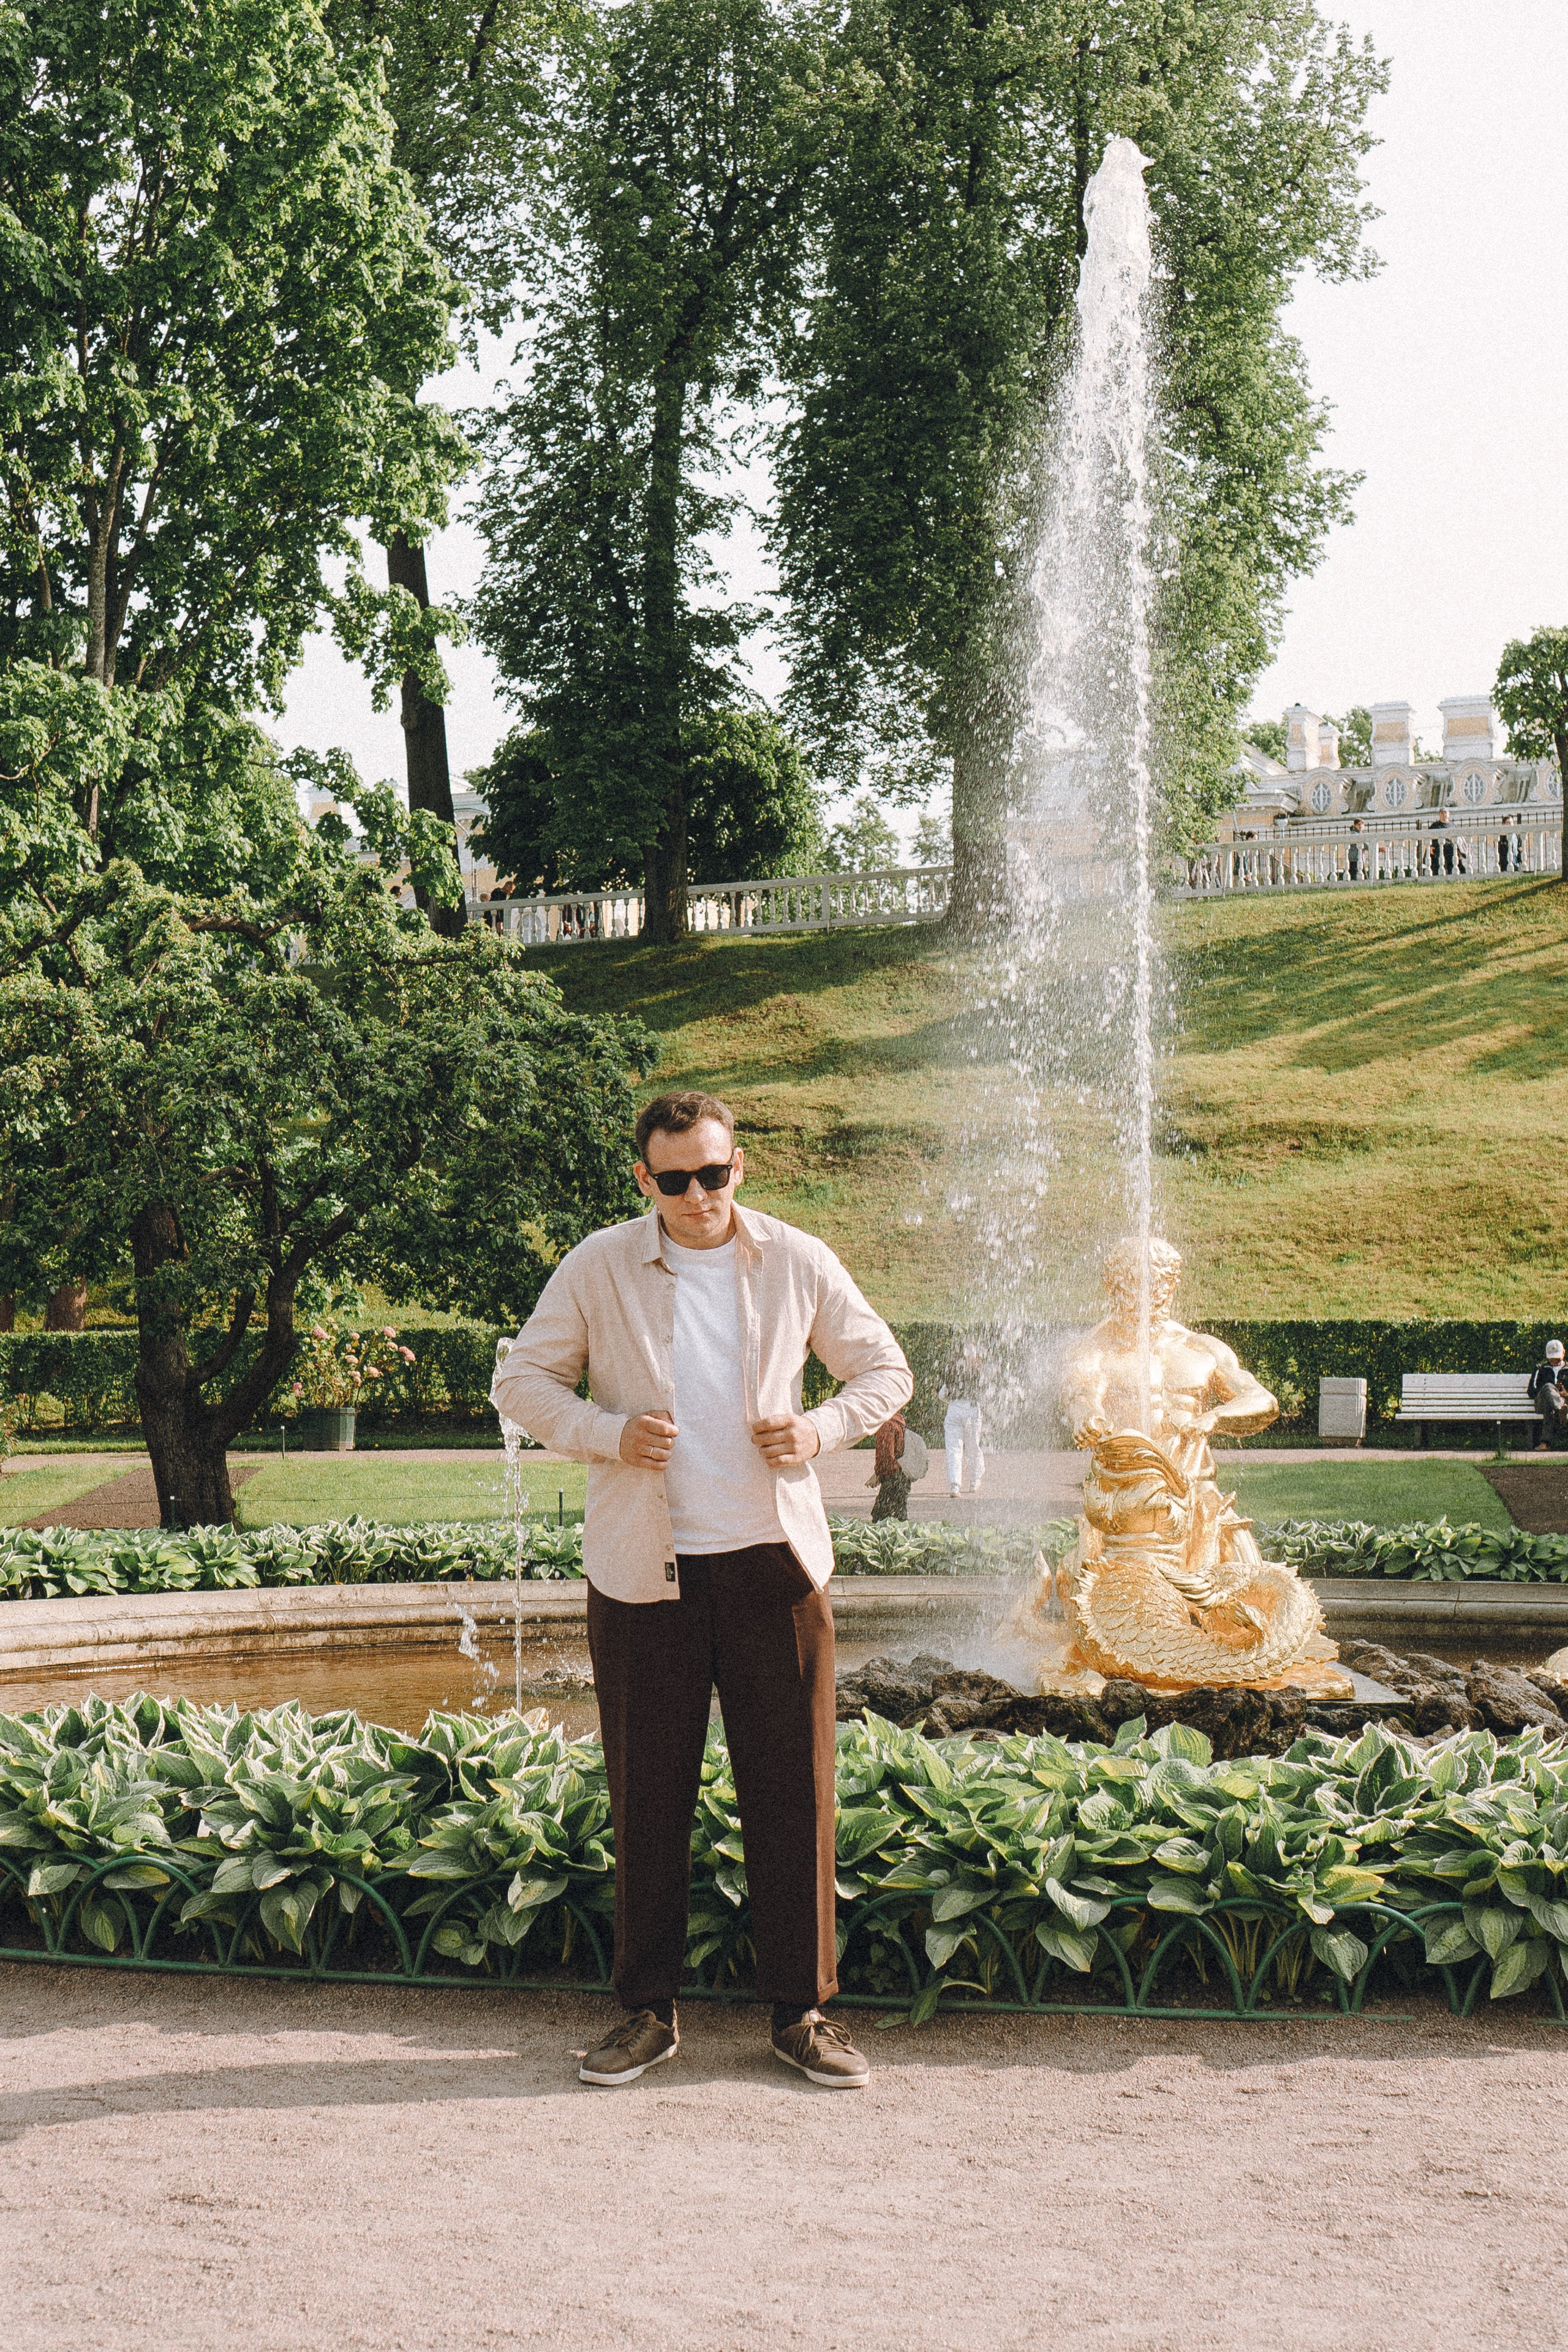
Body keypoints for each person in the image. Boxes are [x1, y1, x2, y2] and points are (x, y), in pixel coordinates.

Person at [492, 1089, 911, 2090]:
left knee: (795, 1793)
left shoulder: (798, 1259)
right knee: (649, 1797)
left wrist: (818, 1431)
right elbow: (523, 1382)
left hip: (775, 1564)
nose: (695, 1195)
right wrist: (608, 1433)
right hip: (647, 1569)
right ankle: (647, 2013)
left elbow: (884, 1369)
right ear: (644, 1179)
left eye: (712, 1174)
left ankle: (802, 2013)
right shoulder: (599, 1264)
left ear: (739, 1167)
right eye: (673, 1178)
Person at [939, 1345, 985, 1498]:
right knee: (973, 1447)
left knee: (953, 1449)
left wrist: (953, 1401)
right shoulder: (978, 1371)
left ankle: (954, 1486)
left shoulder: (952, 1369)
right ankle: (975, 1481)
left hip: (954, 1408)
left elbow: (942, 1394)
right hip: (972, 1409)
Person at [868, 1411, 928, 1520]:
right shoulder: (897, 1422)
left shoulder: (887, 1426)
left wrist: (879, 1474)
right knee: (899, 1516)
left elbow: (886, 1457)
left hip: (893, 1477)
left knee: (882, 1518)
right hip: (901, 1477)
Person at [1529, 1340, 1568, 1450]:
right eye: (1552, 1359)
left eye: (1557, 1358)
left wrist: (1566, 1395)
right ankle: (1560, 1411)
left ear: (1564, 1353)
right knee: (1548, 1387)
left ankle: (1545, 1444)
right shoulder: (1540, 1368)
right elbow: (1532, 1391)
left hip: (1563, 1402)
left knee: (1549, 1407)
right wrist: (1549, 1391)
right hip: (1541, 1402)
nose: (1554, 1361)